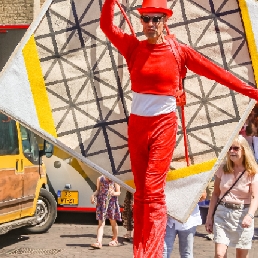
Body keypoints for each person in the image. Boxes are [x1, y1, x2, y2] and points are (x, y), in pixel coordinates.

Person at [100, 0, 258, 256]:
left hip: (163, 125)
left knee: (152, 190)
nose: (150, 24)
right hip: (138, 126)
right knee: (140, 194)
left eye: (155, 19)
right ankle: (140, 252)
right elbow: (106, 27)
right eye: (145, 19)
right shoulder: (133, 48)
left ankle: (151, 253)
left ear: (165, 20)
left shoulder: (178, 51)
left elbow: (217, 73)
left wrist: (253, 92)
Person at [205, 135, 258, 258]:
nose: (232, 151)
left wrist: (250, 215)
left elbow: (255, 197)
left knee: (241, 256)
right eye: (229, 148)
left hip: (242, 214)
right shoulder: (223, 168)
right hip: (222, 213)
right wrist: (209, 218)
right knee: (219, 254)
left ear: (244, 150)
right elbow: (215, 194)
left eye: (236, 148)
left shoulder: (252, 171)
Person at [163, 191, 206, 258]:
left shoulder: (194, 180)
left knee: (186, 253)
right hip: (168, 218)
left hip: (188, 219)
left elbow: (203, 196)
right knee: (164, 251)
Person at [90, 175, 122, 249]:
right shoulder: (100, 179)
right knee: (101, 223)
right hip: (102, 203)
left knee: (113, 221)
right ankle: (99, 242)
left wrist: (113, 193)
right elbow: (98, 190)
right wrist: (93, 195)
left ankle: (115, 239)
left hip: (112, 202)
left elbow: (118, 192)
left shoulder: (115, 179)